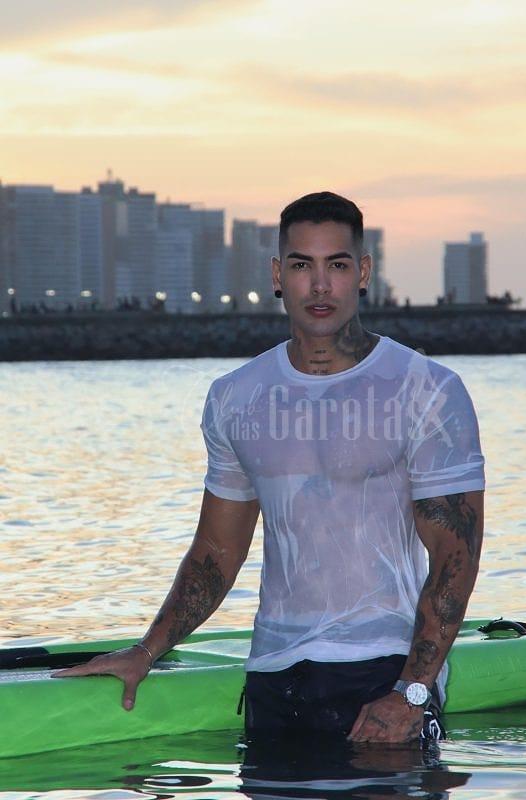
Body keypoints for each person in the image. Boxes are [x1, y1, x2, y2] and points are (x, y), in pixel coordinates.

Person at [53, 191, 485, 745]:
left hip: (382, 670)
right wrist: (147, 649)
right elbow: (217, 551)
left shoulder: (426, 389)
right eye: (303, 266)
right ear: (279, 275)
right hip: (273, 677)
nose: (320, 286)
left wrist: (413, 692)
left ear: (363, 273)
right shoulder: (237, 397)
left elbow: (455, 553)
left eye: (337, 265)